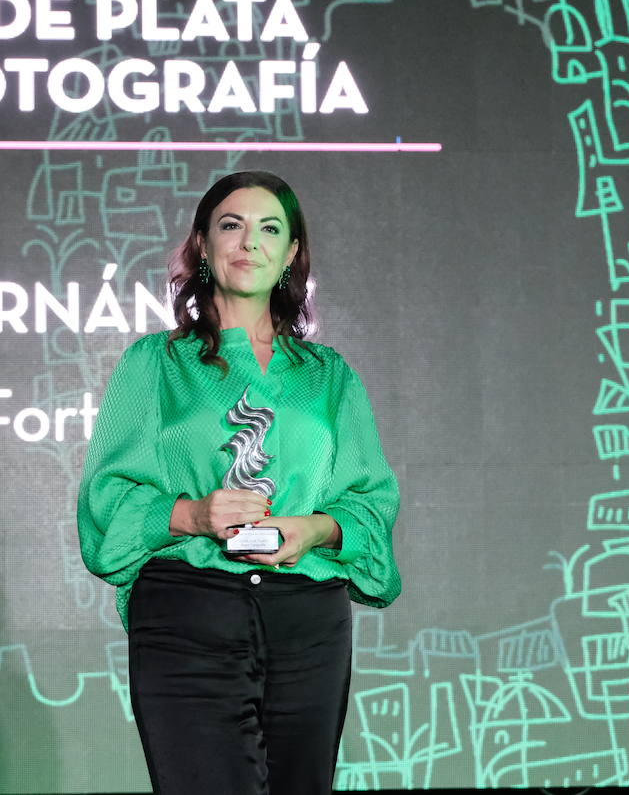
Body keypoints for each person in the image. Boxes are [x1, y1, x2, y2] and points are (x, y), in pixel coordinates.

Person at [76, 170, 401, 795]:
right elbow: (104, 500)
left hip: (307, 623)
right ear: (202, 245)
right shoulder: (155, 364)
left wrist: (312, 528)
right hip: (188, 612)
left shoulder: (329, 375)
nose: (249, 242)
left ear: (291, 254)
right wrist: (194, 515)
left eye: (269, 229)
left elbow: (371, 501)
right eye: (232, 225)